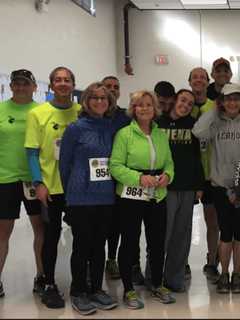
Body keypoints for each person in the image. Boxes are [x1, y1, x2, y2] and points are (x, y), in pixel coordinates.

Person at [109, 90, 175, 309]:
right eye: (139, 105)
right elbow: (115, 167)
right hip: (130, 195)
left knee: (157, 242)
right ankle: (128, 289)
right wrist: (139, 178)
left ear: (155, 108)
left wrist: (168, 176)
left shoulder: (160, 135)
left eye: (149, 104)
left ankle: (157, 283)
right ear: (133, 109)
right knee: (129, 242)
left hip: (157, 195)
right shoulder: (124, 134)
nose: (145, 108)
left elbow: (169, 163)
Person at [59, 82, 121, 315]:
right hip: (80, 197)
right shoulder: (75, 128)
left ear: (109, 102)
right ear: (86, 101)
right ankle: (78, 291)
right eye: (94, 98)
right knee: (82, 245)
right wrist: (69, 195)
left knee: (99, 246)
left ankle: (96, 288)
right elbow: (64, 165)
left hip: (106, 196)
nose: (99, 101)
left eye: (104, 98)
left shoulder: (112, 127)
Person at [25, 66, 81, 309]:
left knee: (83, 235)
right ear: (50, 85)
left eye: (67, 80)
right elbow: (31, 153)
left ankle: (82, 281)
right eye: (58, 80)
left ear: (73, 84)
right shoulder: (38, 114)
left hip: (79, 187)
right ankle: (48, 284)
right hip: (52, 186)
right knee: (51, 237)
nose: (62, 83)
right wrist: (38, 183)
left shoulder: (82, 111)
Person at [0, 69, 44, 298]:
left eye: (25, 84)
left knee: (40, 229)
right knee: (2, 233)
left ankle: (42, 277)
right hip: (4, 179)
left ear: (34, 87)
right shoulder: (1, 109)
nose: (20, 87)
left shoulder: (41, 111)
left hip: (34, 179)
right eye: (16, 83)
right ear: (11, 86)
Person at [192, 83, 240, 294]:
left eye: (236, 99)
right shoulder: (215, 122)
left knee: (239, 233)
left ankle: (237, 273)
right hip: (220, 185)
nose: (232, 103)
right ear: (222, 101)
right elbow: (197, 131)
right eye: (228, 99)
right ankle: (224, 274)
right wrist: (214, 110)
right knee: (225, 232)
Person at [157, 89, 204, 292]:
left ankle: (174, 278)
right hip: (163, 187)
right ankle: (155, 278)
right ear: (175, 100)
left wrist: (199, 184)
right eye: (183, 100)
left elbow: (197, 157)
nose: (185, 105)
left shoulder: (193, 126)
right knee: (161, 234)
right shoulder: (158, 122)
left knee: (182, 235)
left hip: (186, 187)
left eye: (190, 103)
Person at [189, 67, 219, 282]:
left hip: (210, 175)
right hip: (188, 175)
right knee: (182, 222)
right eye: (195, 77)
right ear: (189, 81)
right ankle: (181, 262)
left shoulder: (215, 107)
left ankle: (211, 260)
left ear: (207, 82)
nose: (198, 80)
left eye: (202, 77)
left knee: (212, 221)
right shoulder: (185, 104)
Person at [102, 75, 128, 280]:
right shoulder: (90, 114)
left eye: (115, 87)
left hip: (119, 176)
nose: (112, 90)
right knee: (96, 222)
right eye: (107, 86)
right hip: (96, 177)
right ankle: (94, 259)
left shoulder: (126, 116)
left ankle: (112, 258)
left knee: (117, 222)